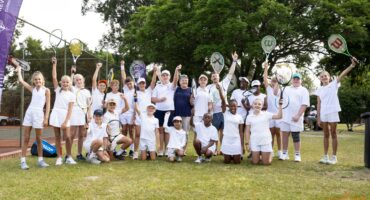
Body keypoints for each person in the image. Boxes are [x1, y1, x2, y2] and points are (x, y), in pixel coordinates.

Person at [316, 58, 357, 165]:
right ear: (320, 79)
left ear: (329, 77)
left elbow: (342, 74)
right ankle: (325, 156)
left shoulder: (334, 84)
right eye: (322, 76)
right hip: (324, 113)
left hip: (333, 111)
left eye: (326, 75)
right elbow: (318, 104)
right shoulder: (319, 90)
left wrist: (351, 66)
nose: (324, 77)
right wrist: (318, 117)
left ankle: (334, 157)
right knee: (325, 134)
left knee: (333, 134)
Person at [12, 59, 51, 169]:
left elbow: (48, 105)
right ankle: (23, 161)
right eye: (35, 79)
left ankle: (40, 160)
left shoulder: (46, 90)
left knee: (39, 138)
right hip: (29, 113)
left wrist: (46, 118)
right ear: (33, 81)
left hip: (39, 114)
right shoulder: (32, 88)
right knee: (26, 138)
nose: (37, 81)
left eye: (39, 79)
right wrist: (19, 70)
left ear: (42, 80)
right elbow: (21, 81)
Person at [207, 52, 237, 155]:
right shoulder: (208, 87)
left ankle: (223, 149)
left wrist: (234, 61)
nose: (215, 77)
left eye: (216, 76)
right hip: (214, 113)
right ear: (211, 78)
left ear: (219, 77)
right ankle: (214, 149)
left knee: (223, 132)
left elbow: (230, 73)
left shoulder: (224, 83)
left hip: (224, 113)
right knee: (214, 132)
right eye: (213, 77)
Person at [49, 57, 75, 165]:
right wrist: (54, 64)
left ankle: (69, 156)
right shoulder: (58, 90)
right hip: (56, 113)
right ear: (61, 83)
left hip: (66, 116)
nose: (65, 83)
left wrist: (65, 121)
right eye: (63, 82)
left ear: (70, 83)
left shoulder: (72, 95)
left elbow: (70, 110)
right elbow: (54, 77)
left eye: (67, 82)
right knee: (57, 136)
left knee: (68, 137)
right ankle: (59, 157)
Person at [279, 73, 310, 162]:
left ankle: (297, 155)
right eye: (294, 79)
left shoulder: (304, 90)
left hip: (296, 118)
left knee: (296, 136)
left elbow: (304, 104)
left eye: (298, 79)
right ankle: (284, 153)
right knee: (284, 135)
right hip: (285, 116)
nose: (296, 80)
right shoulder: (286, 88)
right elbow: (277, 93)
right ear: (292, 80)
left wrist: (298, 115)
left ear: (301, 80)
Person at [151, 65, 181, 156]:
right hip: (159, 110)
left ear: (169, 77)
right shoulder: (157, 86)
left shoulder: (172, 86)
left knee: (167, 130)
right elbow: (152, 99)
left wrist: (176, 70)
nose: (165, 77)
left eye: (166, 75)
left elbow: (176, 80)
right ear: (162, 77)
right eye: (163, 75)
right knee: (160, 130)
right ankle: (160, 149)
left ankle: (168, 149)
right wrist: (160, 100)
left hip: (169, 110)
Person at [245, 98, 283, 165]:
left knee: (266, 163)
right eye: (255, 104)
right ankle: (258, 154)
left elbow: (279, 116)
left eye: (259, 104)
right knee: (255, 162)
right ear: (252, 105)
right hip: (255, 141)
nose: (257, 105)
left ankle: (268, 152)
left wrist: (280, 105)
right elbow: (247, 131)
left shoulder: (266, 114)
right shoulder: (249, 117)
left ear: (262, 106)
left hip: (265, 141)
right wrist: (247, 143)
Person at [133, 65, 158, 160]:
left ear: (145, 84)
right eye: (140, 84)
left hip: (149, 115)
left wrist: (155, 72)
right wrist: (135, 115)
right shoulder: (136, 94)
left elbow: (153, 82)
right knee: (138, 135)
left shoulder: (148, 91)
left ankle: (149, 151)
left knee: (149, 134)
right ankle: (135, 152)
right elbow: (135, 106)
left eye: (143, 83)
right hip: (140, 116)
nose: (142, 85)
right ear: (138, 85)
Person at [70, 66, 92, 161]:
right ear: (75, 81)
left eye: (80, 79)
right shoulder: (72, 89)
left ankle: (79, 154)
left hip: (83, 114)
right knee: (72, 134)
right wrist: (72, 73)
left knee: (81, 135)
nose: (79, 81)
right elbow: (69, 83)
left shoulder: (87, 91)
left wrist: (89, 114)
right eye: (77, 80)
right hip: (74, 113)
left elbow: (89, 104)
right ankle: (68, 154)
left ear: (83, 80)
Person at [219, 84, 244, 164]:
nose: (233, 108)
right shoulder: (225, 113)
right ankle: (229, 156)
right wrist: (220, 90)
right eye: (231, 106)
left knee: (237, 162)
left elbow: (241, 132)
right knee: (227, 161)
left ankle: (236, 155)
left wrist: (242, 146)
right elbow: (223, 100)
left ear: (237, 106)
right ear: (228, 107)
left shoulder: (240, 117)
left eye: (235, 106)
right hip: (227, 139)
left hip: (236, 139)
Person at [168, 74, 192, 154]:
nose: (184, 82)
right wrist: (176, 71)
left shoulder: (191, 90)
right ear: (179, 82)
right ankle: (175, 148)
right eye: (183, 80)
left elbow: (192, 103)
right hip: (176, 114)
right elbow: (174, 80)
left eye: (186, 80)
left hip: (186, 114)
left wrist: (192, 100)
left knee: (185, 132)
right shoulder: (176, 89)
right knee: (175, 132)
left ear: (188, 81)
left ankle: (183, 150)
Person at [263, 62, 282, 157]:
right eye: (272, 81)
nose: (273, 82)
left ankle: (280, 151)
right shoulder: (268, 89)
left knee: (278, 133)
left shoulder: (281, 90)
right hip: (270, 114)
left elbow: (276, 92)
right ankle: (270, 150)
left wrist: (278, 81)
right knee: (271, 133)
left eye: (275, 81)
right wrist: (266, 68)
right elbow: (265, 79)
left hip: (278, 114)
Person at [120, 60, 136, 157]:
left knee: (131, 131)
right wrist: (122, 66)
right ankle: (123, 149)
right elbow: (123, 77)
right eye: (128, 84)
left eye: (130, 83)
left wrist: (134, 115)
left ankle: (132, 149)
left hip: (131, 114)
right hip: (123, 113)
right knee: (124, 130)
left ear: (133, 83)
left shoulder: (136, 91)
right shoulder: (125, 88)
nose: (129, 85)